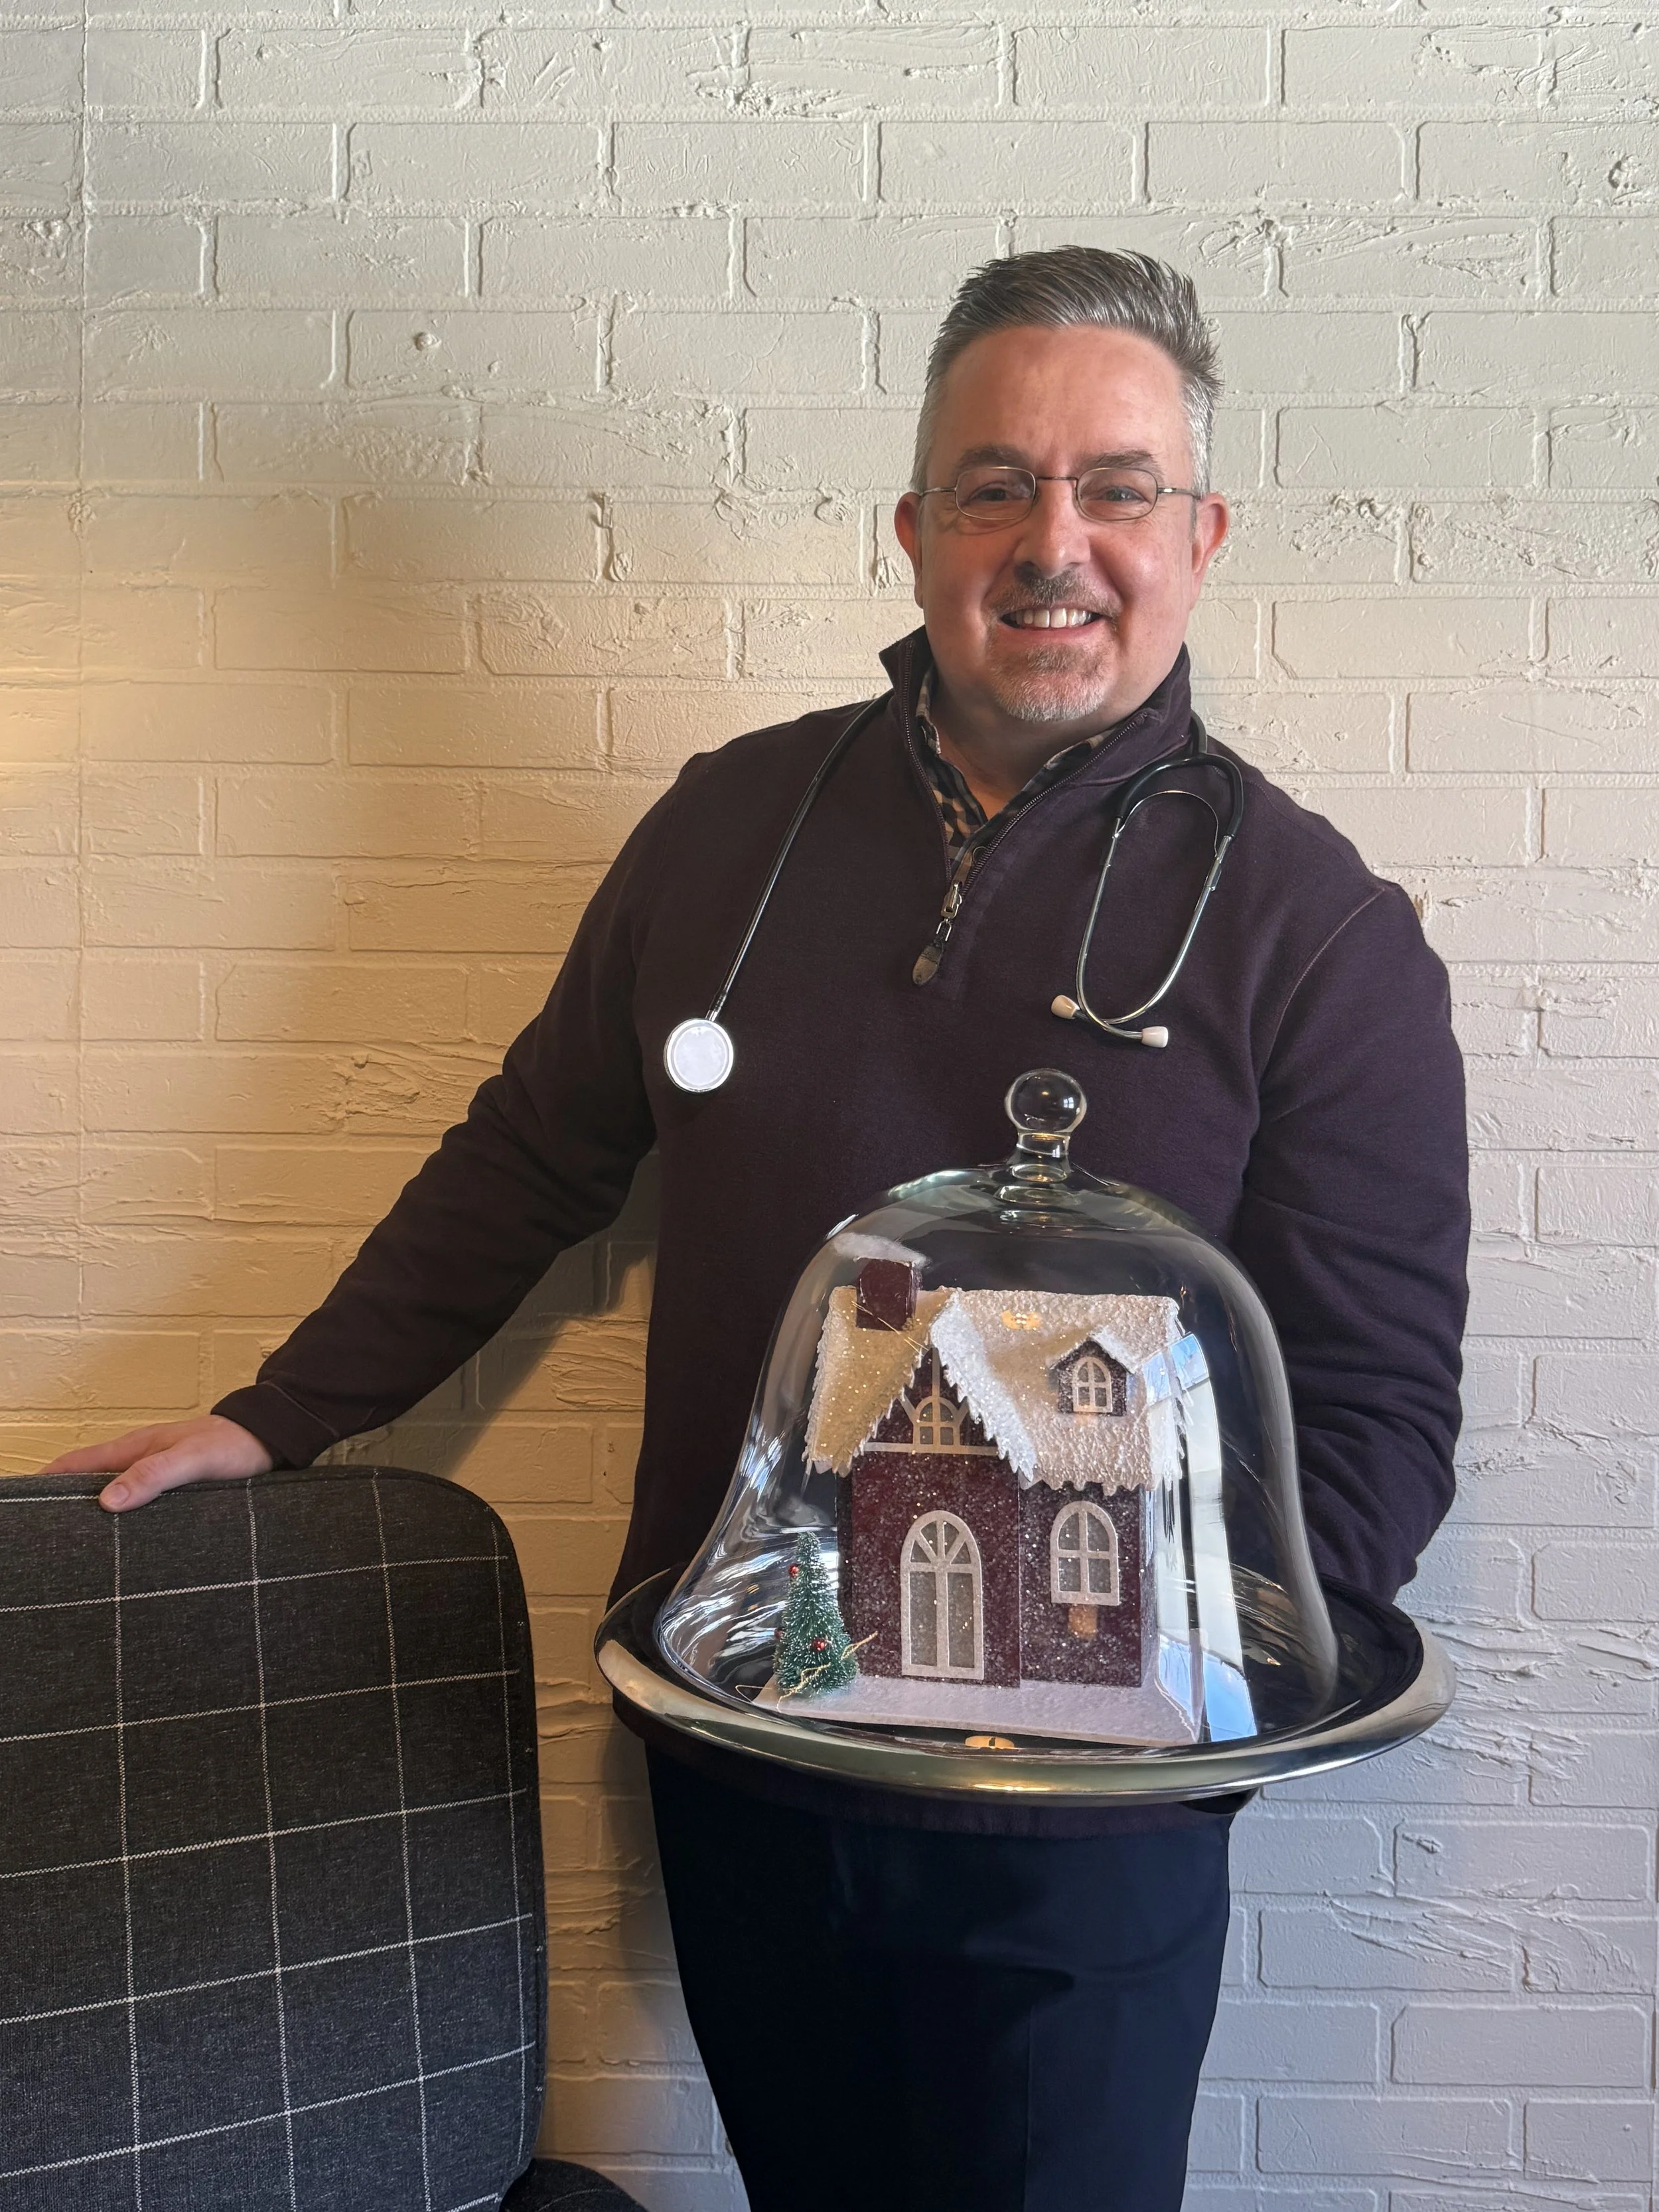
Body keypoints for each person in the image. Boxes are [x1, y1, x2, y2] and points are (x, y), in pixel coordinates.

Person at [48, 250, 1469, 2211]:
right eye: (993, 484)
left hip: (1079, 1828)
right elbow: (530, 1159)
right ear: (912, 530)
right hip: (745, 1744)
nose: (1053, 541)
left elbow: (1376, 1411)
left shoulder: (1317, 932)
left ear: (1199, 534)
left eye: (1115, 486)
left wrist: (1185, 1713)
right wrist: (276, 1414)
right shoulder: (730, 828)